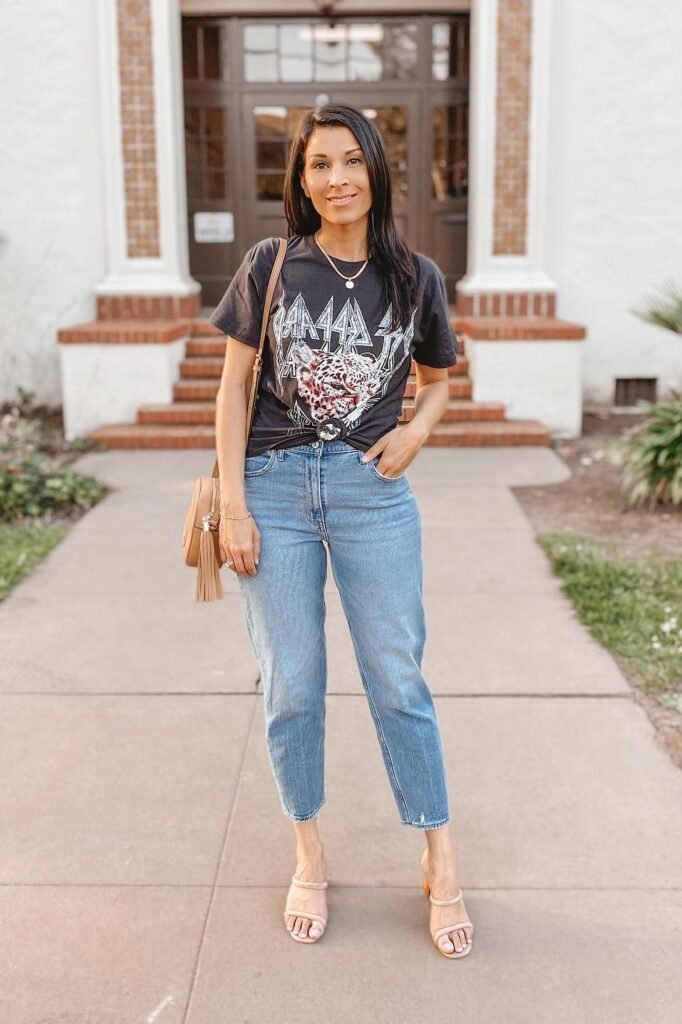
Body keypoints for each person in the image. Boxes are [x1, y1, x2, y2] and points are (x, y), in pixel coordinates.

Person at [209, 104, 474, 959]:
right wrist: (235, 503)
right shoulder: (272, 263)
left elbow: (436, 381)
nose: (336, 180)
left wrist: (418, 429)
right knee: (291, 685)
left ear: (376, 171)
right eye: (319, 165)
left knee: (398, 679)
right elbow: (232, 389)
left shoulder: (416, 277)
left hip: (372, 489)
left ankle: (440, 859)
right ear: (300, 179)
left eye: (351, 161)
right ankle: (309, 852)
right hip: (274, 488)